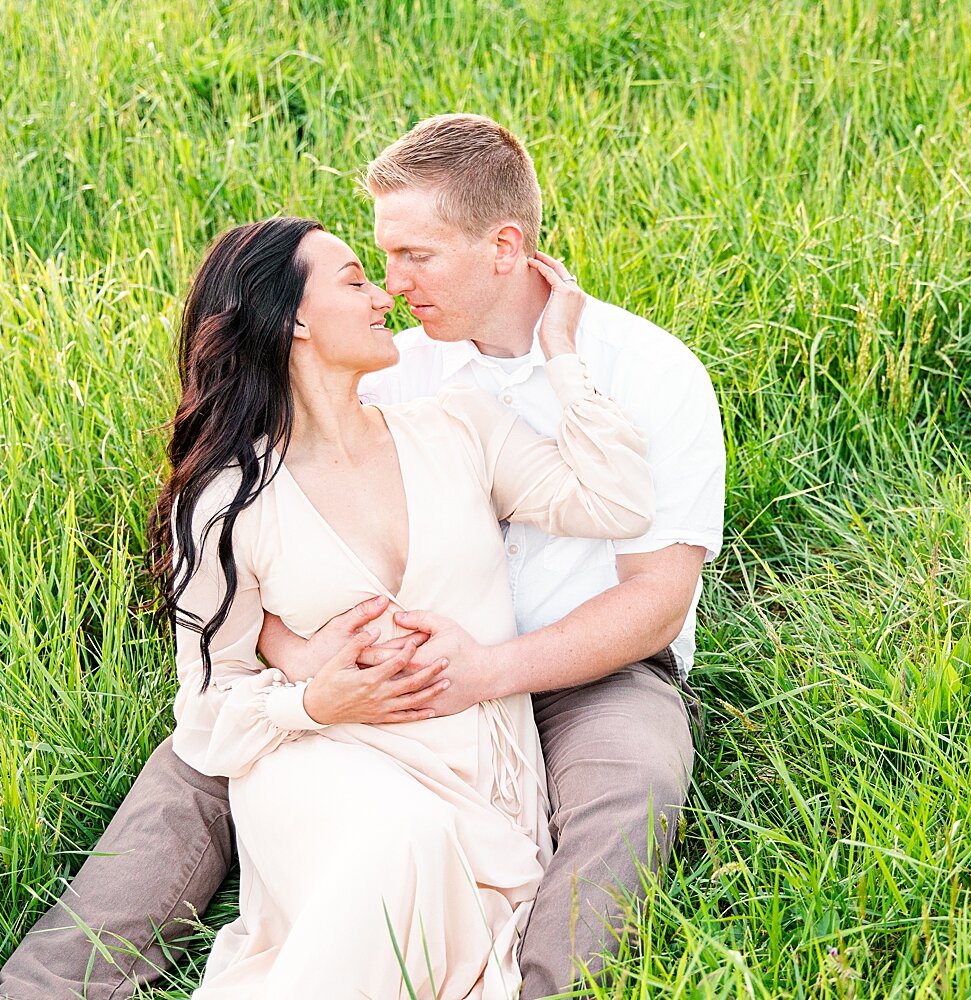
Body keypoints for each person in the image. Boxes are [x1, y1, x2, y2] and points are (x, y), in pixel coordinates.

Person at [0, 114, 725, 999]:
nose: (391, 284)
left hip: (588, 666)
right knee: (197, 769)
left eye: (415, 256)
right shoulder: (389, 368)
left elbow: (654, 600)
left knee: (630, 790)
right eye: (377, 261)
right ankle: (43, 989)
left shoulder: (652, 372)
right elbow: (267, 543)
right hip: (375, 677)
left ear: (504, 247)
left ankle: (544, 987)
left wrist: (491, 671)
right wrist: (304, 664)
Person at [181, 214, 654, 996]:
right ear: (295, 317)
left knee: (425, 839)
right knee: (404, 839)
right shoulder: (228, 500)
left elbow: (619, 502)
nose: (386, 295)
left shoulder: (457, 427)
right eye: (357, 279)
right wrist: (314, 702)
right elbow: (203, 706)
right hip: (321, 766)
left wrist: (560, 353)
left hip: (477, 779)